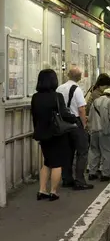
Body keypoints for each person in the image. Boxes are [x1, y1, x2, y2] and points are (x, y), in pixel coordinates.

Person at [31, 69, 77, 201]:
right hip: (56, 134)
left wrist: (38, 131)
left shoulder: (35, 97)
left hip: (42, 133)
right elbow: (64, 114)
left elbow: (34, 117)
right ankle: (53, 191)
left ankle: (42, 190)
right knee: (57, 163)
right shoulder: (57, 97)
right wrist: (74, 119)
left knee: (47, 162)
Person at [56, 67, 94, 190]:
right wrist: (83, 124)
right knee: (82, 151)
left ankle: (67, 179)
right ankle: (80, 180)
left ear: (68, 75)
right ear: (79, 77)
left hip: (63, 123)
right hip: (75, 122)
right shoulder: (76, 89)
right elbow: (81, 109)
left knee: (67, 152)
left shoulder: (60, 88)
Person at [87, 88, 110, 181]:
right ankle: (105, 174)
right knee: (108, 152)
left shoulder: (95, 101)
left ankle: (92, 173)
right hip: (105, 131)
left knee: (94, 151)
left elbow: (90, 116)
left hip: (94, 130)